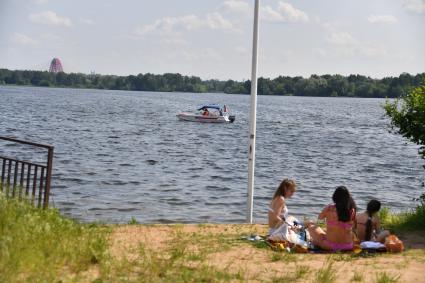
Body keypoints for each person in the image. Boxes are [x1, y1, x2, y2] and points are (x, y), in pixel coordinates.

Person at [307, 186, 357, 251]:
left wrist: (328, 228)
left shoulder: (329, 208)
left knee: (311, 227)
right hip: (347, 246)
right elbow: (354, 227)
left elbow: (319, 224)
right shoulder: (352, 211)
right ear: (348, 198)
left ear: (335, 196)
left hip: (330, 246)